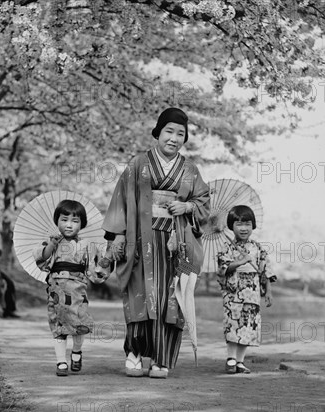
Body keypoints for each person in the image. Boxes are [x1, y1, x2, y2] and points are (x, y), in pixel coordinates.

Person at [103, 107, 210, 379]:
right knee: (140, 296)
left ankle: (162, 360)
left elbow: (204, 205)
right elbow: (120, 201)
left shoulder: (190, 170)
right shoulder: (138, 164)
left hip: (175, 245)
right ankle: (135, 354)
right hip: (139, 241)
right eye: (169, 131)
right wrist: (117, 235)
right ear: (158, 132)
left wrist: (186, 207)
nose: (174, 138)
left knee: (170, 300)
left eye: (180, 134)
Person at [33, 199, 110, 377]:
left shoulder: (88, 245)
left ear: (82, 224)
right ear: (56, 221)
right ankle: (61, 361)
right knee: (58, 325)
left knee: (79, 324)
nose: (69, 225)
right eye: (64, 219)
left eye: (75, 221)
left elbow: (95, 269)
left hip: (78, 290)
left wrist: (105, 262)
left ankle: (76, 352)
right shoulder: (51, 242)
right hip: (56, 290)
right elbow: (42, 259)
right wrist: (52, 244)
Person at [216, 205, 277, 374]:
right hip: (234, 291)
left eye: (247, 224)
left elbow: (265, 271)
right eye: (239, 224)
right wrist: (240, 262)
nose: (243, 228)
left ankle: (240, 361)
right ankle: (231, 358)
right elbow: (222, 268)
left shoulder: (258, 248)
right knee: (233, 322)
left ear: (253, 225)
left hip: (252, 292)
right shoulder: (226, 247)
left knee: (248, 325)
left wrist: (268, 291)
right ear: (231, 226)